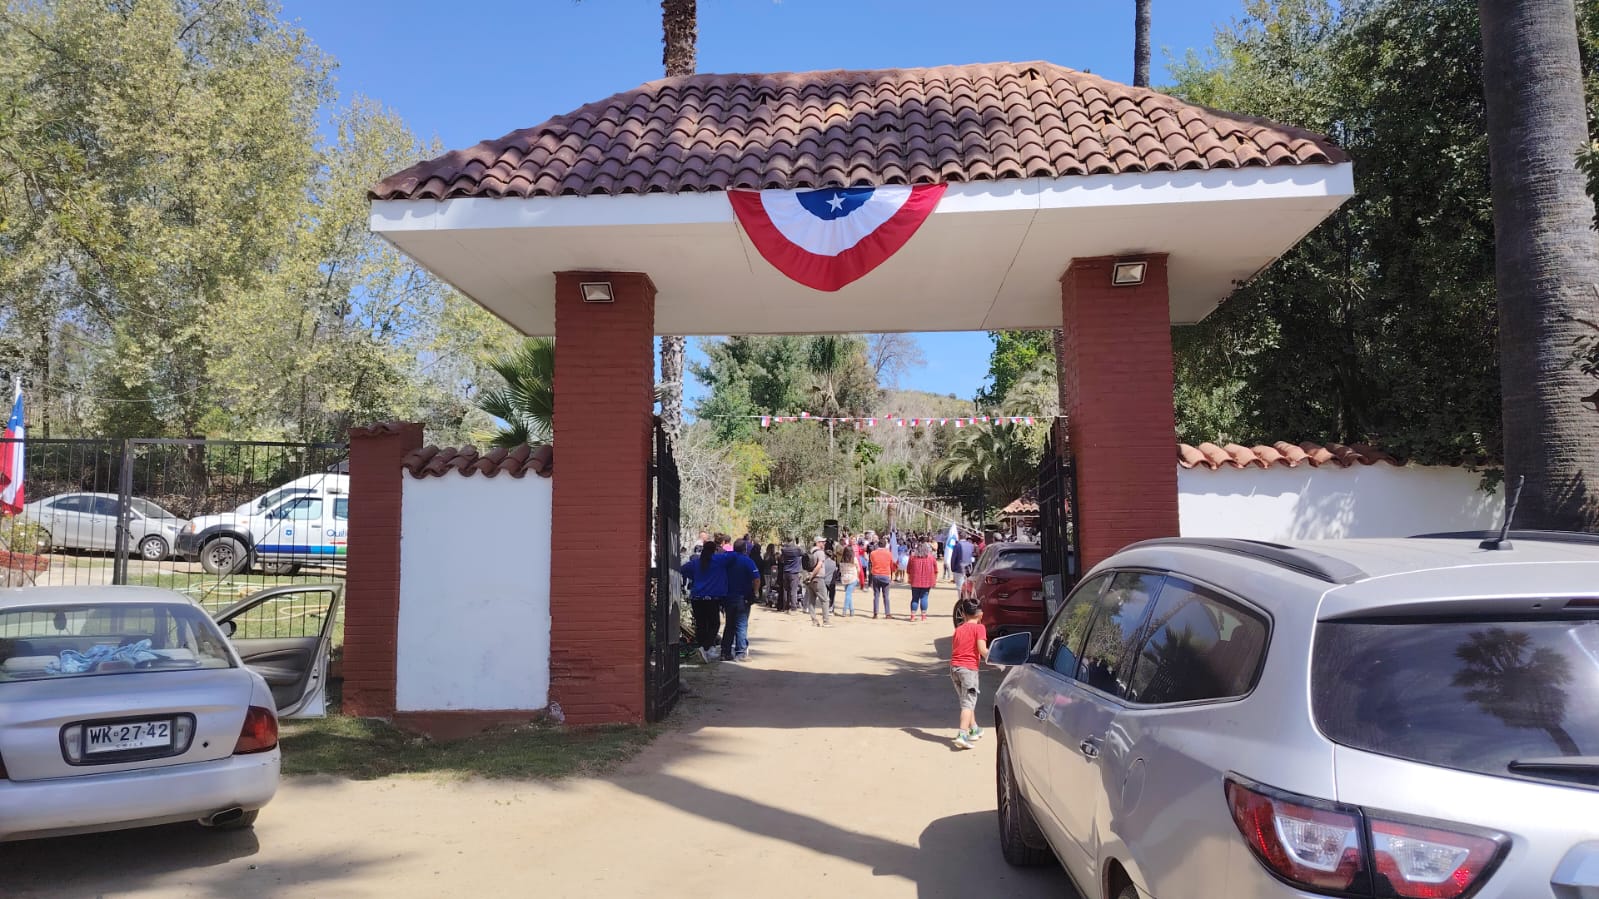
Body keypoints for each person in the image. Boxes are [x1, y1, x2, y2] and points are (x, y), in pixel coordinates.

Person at [679, 532, 732, 662]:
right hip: (711, 599)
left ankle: (703, 649)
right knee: (714, 624)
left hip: (697, 598)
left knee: (701, 625)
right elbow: (733, 556)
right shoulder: (719, 560)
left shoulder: (696, 562)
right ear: (714, 550)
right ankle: (705, 648)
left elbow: (683, 569)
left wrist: (694, 577)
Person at [950, 597, 990, 749]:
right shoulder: (980, 628)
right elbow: (982, 649)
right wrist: (994, 658)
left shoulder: (958, 629)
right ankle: (962, 734)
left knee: (966, 699)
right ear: (980, 614)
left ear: (964, 614)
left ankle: (974, 728)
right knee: (968, 703)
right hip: (969, 670)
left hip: (954, 668)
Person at [725, 538, 762, 662]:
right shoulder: (747, 561)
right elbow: (756, 579)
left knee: (729, 624)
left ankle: (725, 652)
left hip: (728, 596)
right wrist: (756, 593)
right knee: (741, 624)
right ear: (745, 549)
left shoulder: (727, 560)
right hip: (743, 598)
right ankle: (740, 653)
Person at [906, 541, 938, 622]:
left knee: (914, 598)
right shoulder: (931, 558)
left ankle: (913, 616)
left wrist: (909, 578)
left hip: (915, 581)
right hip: (927, 581)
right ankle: (923, 616)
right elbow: (935, 570)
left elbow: (908, 570)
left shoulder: (912, 557)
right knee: (924, 598)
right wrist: (934, 580)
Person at [804, 535, 832, 627]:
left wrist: (809, 577)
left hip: (810, 579)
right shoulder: (820, 553)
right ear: (818, 543)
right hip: (818, 578)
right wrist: (813, 575)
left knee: (811, 600)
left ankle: (814, 621)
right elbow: (819, 565)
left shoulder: (811, 551)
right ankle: (826, 621)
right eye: (822, 542)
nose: (824, 543)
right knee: (824, 600)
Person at [868, 540, 894, 619]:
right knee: (886, 596)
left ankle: (875, 613)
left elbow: (871, 562)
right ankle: (887, 613)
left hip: (875, 574)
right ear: (885, 545)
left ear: (878, 545)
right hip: (885, 575)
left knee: (876, 595)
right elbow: (891, 565)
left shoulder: (873, 553)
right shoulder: (889, 553)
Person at [779, 537, 805, 612]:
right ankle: (793, 606)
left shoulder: (784, 550)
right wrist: (798, 546)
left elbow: (781, 558)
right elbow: (803, 553)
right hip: (794, 572)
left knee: (786, 590)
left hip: (786, 571)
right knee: (793, 590)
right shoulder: (797, 550)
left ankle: (786, 606)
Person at [836, 543, 859, 616]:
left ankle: (852, 610)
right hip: (852, 578)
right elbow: (858, 569)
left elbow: (840, 570)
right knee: (848, 595)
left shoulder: (842, 560)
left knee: (848, 594)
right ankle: (845, 610)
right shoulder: (854, 559)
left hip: (845, 578)